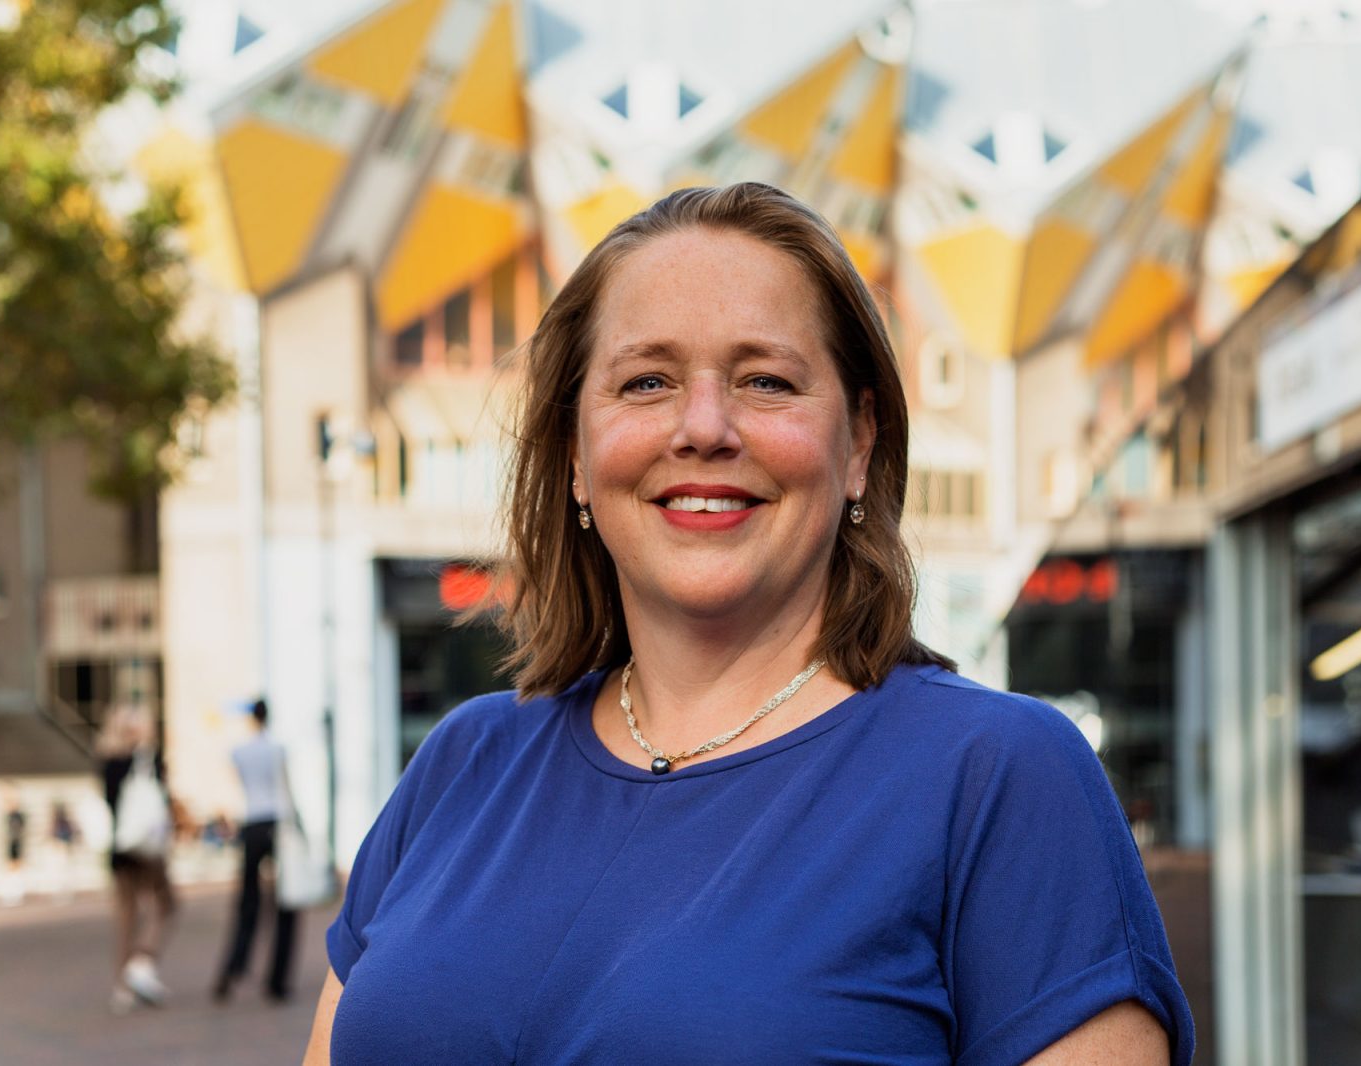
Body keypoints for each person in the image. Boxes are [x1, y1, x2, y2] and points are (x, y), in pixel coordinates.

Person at [304, 183, 1193, 1065]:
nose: (703, 428)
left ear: (859, 443)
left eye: (766, 381)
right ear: (575, 453)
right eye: (646, 382)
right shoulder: (464, 765)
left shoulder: (1000, 776)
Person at [213, 697, 299, 1004]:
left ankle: (234, 967)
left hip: (252, 824)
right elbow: (287, 790)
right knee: (285, 902)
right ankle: (277, 979)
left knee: (247, 902)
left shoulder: (240, 751)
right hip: (277, 823)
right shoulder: (277, 749)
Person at [97, 701, 176, 1014]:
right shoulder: (147, 759)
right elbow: (162, 802)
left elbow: (110, 803)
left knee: (126, 918)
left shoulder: (108, 761)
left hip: (121, 847)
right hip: (146, 847)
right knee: (165, 903)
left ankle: (122, 987)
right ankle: (142, 962)